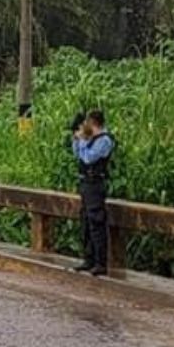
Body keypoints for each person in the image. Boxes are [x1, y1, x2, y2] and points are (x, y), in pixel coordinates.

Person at [70, 109, 115, 276]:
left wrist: (82, 140)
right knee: (86, 222)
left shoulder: (104, 140)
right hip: (85, 183)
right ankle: (88, 259)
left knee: (96, 222)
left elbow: (89, 158)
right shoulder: (89, 139)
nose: (84, 127)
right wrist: (76, 139)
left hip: (95, 184)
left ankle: (100, 262)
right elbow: (78, 156)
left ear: (94, 123)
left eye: (86, 123)